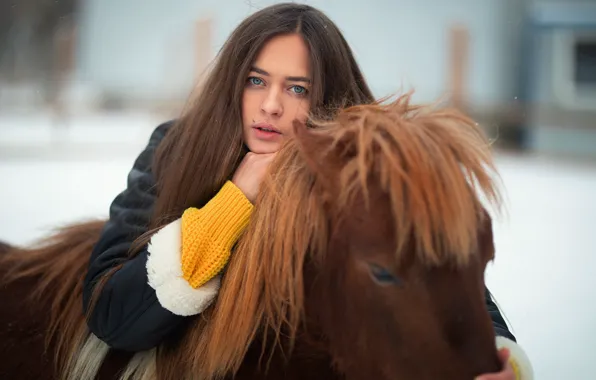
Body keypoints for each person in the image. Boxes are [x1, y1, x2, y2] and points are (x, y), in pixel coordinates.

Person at [82, 3, 526, 379]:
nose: (271, 105)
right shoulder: (176, 149)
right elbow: (111, 317)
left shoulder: (360, 173)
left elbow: (436, 267)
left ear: (327, 98)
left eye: (297, 88)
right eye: (256, 81)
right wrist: (234, 200)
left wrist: (499, 353)